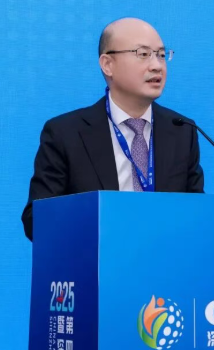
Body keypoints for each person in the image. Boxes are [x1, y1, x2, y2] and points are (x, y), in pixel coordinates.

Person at [21, 17, 204, 240]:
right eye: (143, 54)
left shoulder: (181, 130)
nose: (157, 65)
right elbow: (36, 221)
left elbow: (198, 214)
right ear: (108, 64)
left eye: (161, 55)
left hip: (164, 258)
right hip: (95, 257)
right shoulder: (65, 134)